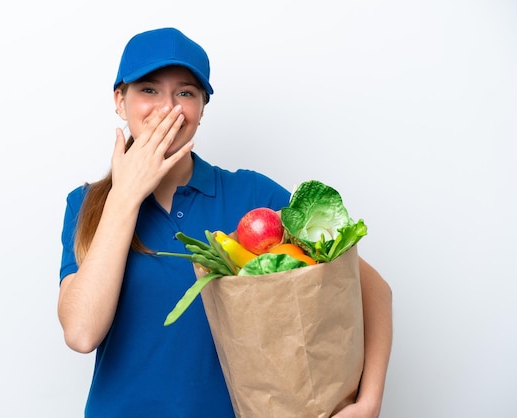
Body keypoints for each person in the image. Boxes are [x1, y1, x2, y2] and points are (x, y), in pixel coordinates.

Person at [58, 27, 392, 418]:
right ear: (120, 100)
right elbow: (81, 334)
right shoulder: (86, 205)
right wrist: (125, 196)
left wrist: (368, 402)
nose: (168, 108)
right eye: (149, 90)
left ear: (202, 108)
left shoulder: (252, 196)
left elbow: (372, 289)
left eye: (185, 93)